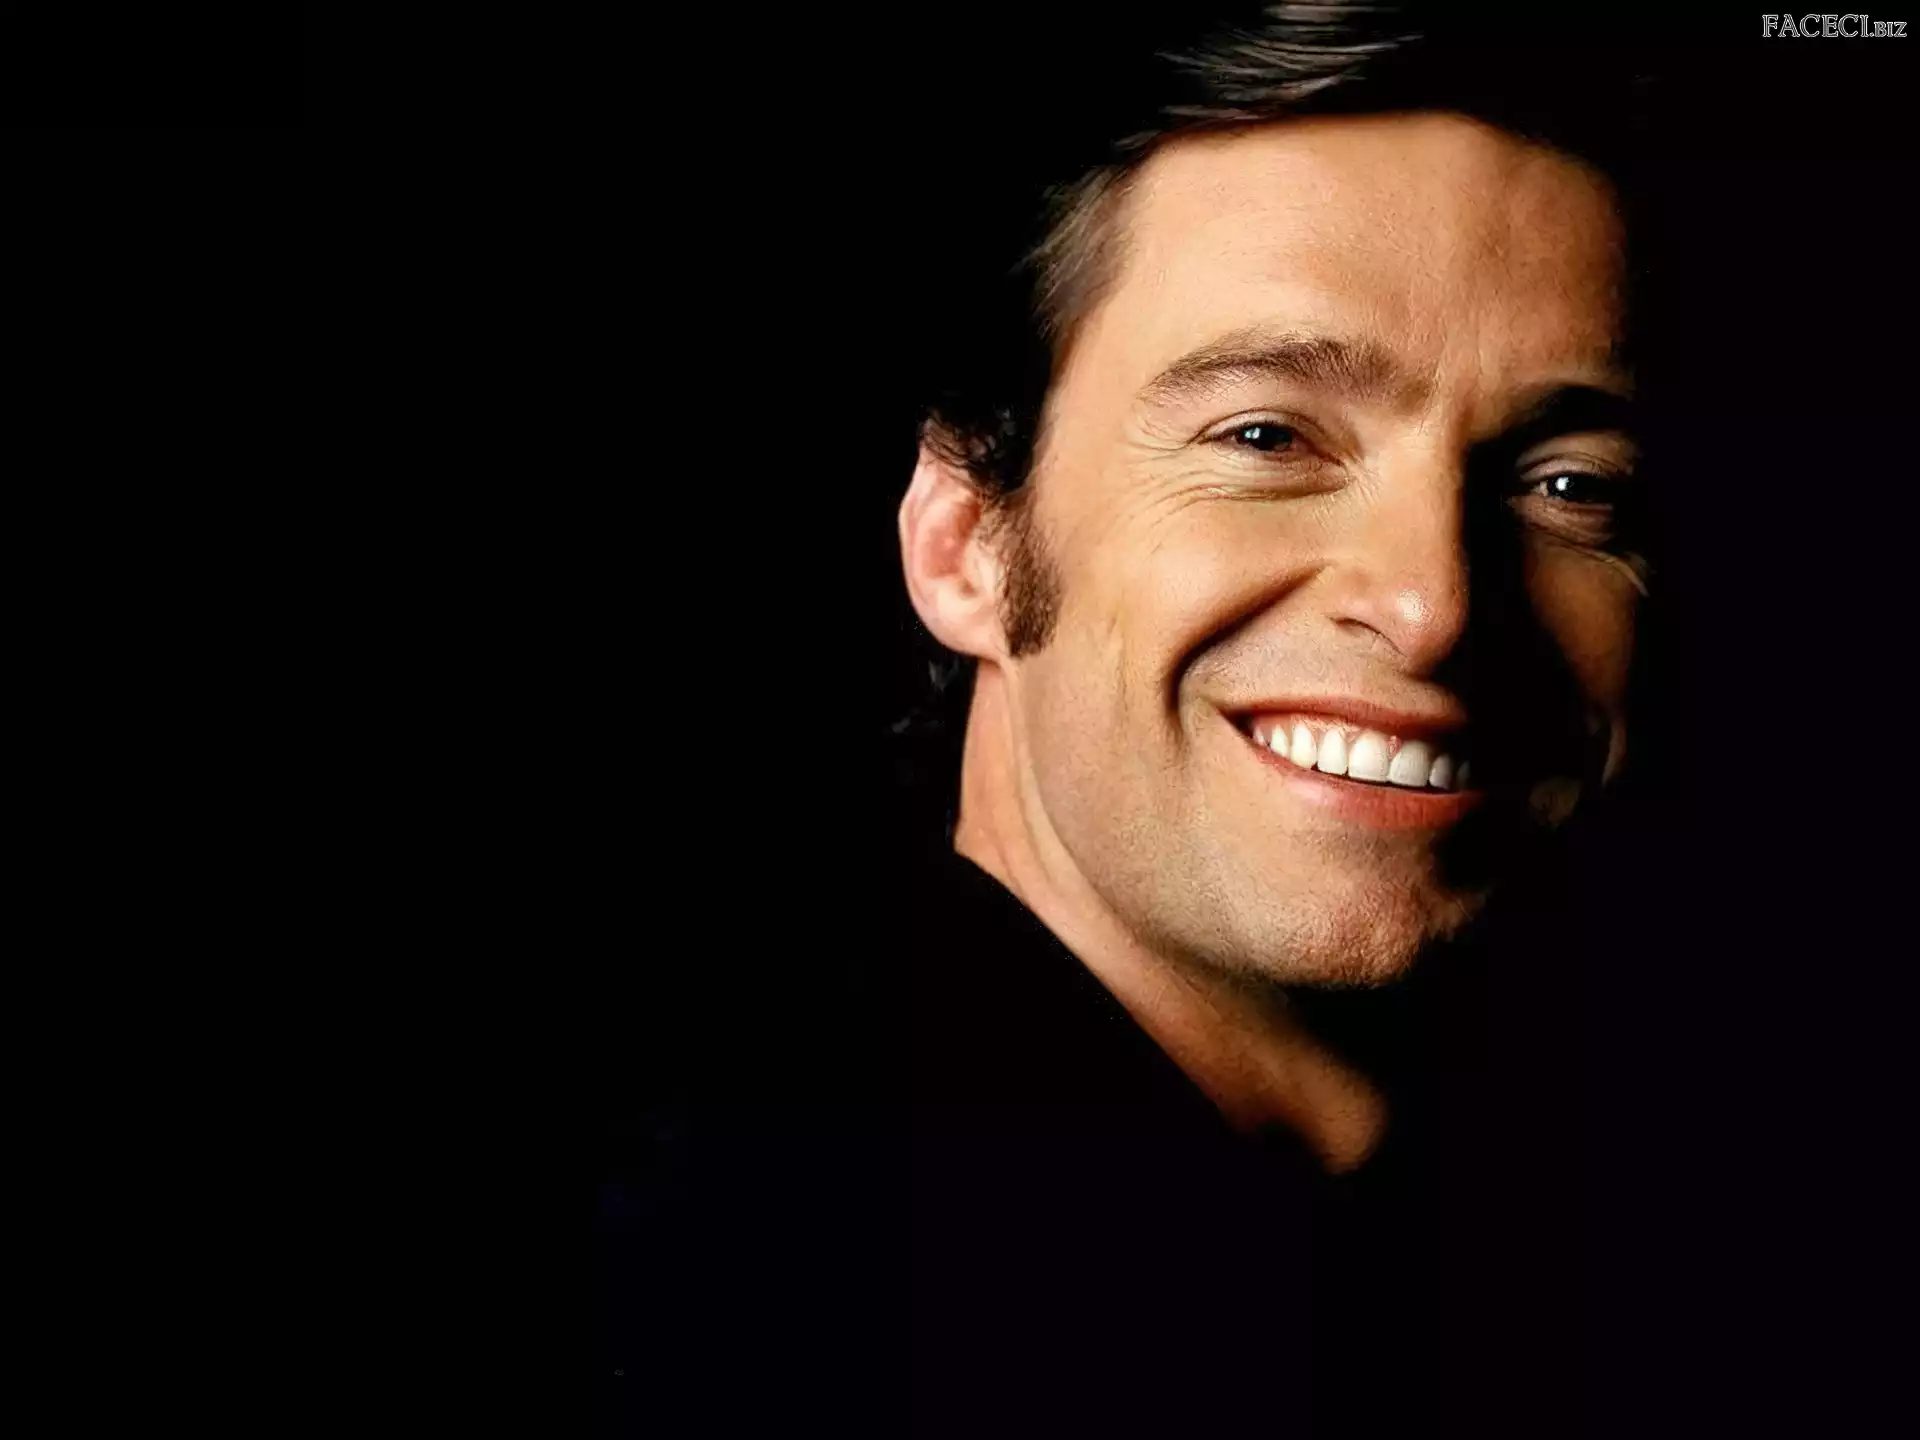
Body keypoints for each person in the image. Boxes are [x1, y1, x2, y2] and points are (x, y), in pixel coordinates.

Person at [602, 5, 1657, 1433]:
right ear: (967, 544)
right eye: (1266, 437)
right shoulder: (757, 1303)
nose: (1433, 606)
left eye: (1568, 483)